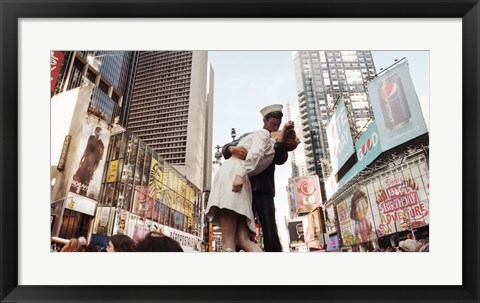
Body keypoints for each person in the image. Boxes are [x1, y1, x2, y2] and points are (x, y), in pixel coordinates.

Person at [221, 104, 298, 252]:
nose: (275, 127)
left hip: (264, 189)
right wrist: (231, 149)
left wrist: (283, 138)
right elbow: (227, 147)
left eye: (278, 124)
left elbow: (280, 158)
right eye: (273, 124)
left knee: (269, 228)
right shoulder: (254, 135)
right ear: (264, 120)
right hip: (244, 186)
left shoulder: (279, 137)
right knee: (241, 226)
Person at [70, 126, 104, 196]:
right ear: (95, 132)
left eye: (99, 133)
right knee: (76, 181)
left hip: (90, 168)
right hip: (84, 164)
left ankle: (80, 198)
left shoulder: (101, 145)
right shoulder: (91, 138)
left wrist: (93, 171)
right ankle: (71, 194)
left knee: (84, 186)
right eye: (97, 132)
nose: (98, 134)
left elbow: (98, 161)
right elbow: (86, 149)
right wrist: (81, 160)